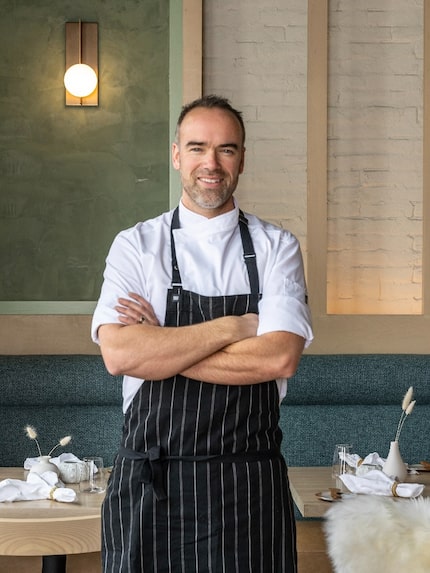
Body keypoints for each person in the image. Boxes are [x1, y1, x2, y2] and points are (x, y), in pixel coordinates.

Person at [91, 94, 313, 573]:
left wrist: (162, 345)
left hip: (248, 487)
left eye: (226, 149)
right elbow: (120, 354)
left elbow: (277, 359)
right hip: (153, 484)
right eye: (196, 148)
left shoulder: (278, 248)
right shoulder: (136, 246)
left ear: (242, 159)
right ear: (176, 155)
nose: (210, 164)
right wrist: (234, 327)